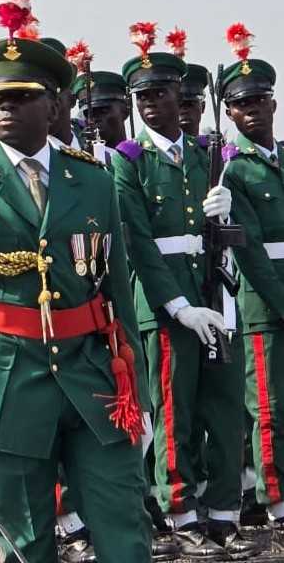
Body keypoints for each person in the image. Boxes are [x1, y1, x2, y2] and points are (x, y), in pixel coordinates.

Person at [0, 32, 153, 561]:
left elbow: (117, 289)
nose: (8, 108)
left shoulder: (92, 180)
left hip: (93, 377)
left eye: (23, 96)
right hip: (0, 378)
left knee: (123, 525)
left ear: (55, 103)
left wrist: (141, 392)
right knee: (24, 539)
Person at [111, 33, 257, 557]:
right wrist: (176, 305)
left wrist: (229, 210)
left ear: (181, 95)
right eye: (142, 97)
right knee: (175, 413)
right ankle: (181, 513)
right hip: (168, 306)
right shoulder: (129, 161)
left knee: (224, 410)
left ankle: (223, 514)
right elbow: (137, 241)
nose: (152, 105)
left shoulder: (207, 154)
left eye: (161, 94)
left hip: (215, 295)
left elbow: (235, 234)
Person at [219, 47, 284, 545]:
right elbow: (251, 250)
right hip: (265, 305)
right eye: (244, 104)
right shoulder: (234, 170)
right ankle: (277, 503)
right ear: (230, 113)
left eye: (262, 100)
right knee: (268, 407)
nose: (255, 110)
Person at [179, 64, 208, 137]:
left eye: (190, 104)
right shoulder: (152, 148)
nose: (184, 110)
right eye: (178, 105)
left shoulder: (214, 147)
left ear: (203, 107)